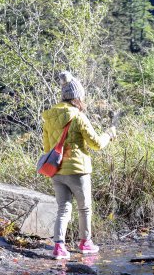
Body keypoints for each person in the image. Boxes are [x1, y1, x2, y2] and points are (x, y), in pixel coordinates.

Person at [42, 71, 116, 259]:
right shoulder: (78, 116)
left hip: (56, 170)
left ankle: (59, 247)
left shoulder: (49, 117)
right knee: (84, 208)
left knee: (63, 208)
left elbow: (47, 147)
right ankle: (85, 243)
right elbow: (96, 144)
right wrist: (109, 134)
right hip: (78, 170)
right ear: (77, 97)